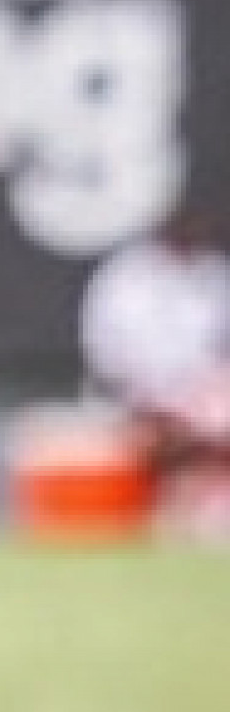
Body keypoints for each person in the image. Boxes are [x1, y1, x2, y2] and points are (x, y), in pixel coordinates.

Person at [78, 206, 230, 523]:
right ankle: (161, 508)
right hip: (136, 399)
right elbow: (106, 350)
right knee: (156, 436)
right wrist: (149, 402)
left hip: (202, 397)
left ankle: (211, 506)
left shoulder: (214, 274)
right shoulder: (125, 277)